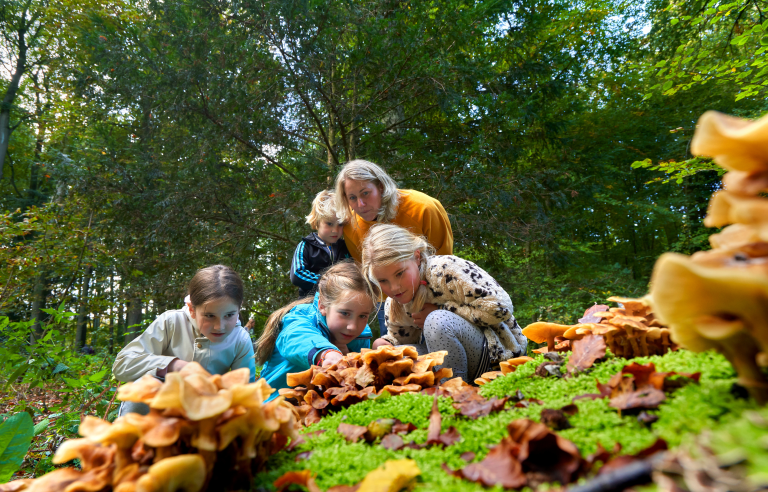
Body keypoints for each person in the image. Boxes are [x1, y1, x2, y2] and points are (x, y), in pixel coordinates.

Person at [361, 224, 527, 384]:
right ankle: (433, 395)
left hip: (495, 357)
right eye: (383, 280)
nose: (394, 287)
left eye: (399, 273)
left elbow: (500, 308)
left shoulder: (446, 270)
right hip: (454, 361)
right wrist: (387, 344)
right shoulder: (395, 301)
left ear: (417, 257)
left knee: (436, 320)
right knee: (394, 358)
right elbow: (402, 339)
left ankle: (455, 395)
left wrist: (441, 309)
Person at [113, 265, 256, 415]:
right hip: (160, 407)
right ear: (192, 309)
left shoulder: (240, 339)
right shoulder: (171, 322)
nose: (219, 326)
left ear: (239, 308)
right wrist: (173, 365)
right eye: (209, 316)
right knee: (140, 389)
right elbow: (122, 364)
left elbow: (245, 394)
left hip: (209, 413)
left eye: (229, 315)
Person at [334, 159, 453, 333]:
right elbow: (370, 274)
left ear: (381, 187)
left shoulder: (424, 209)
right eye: (352, 198)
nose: (360, 204)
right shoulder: (350, 226)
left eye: (365, 193)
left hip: (434, 296)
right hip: (389, 302)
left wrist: (436, 307)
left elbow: (445, 263)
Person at [257, 261, 377, 400]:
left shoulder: (361, 337)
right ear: (322, 305)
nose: (353, 326)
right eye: (345, 313)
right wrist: (327, 354)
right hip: (273, 404)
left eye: (362, 316)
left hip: (321, 408)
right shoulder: (300, 318)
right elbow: (296, 336)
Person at [290, 190, 351, 297]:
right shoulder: (306, 245)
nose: (335, 230)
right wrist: (329, 283)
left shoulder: (346, 247)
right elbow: (297, 274)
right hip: (309, 303)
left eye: (340, 224)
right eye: (329, 223)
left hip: (341, 303)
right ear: (317, 222)